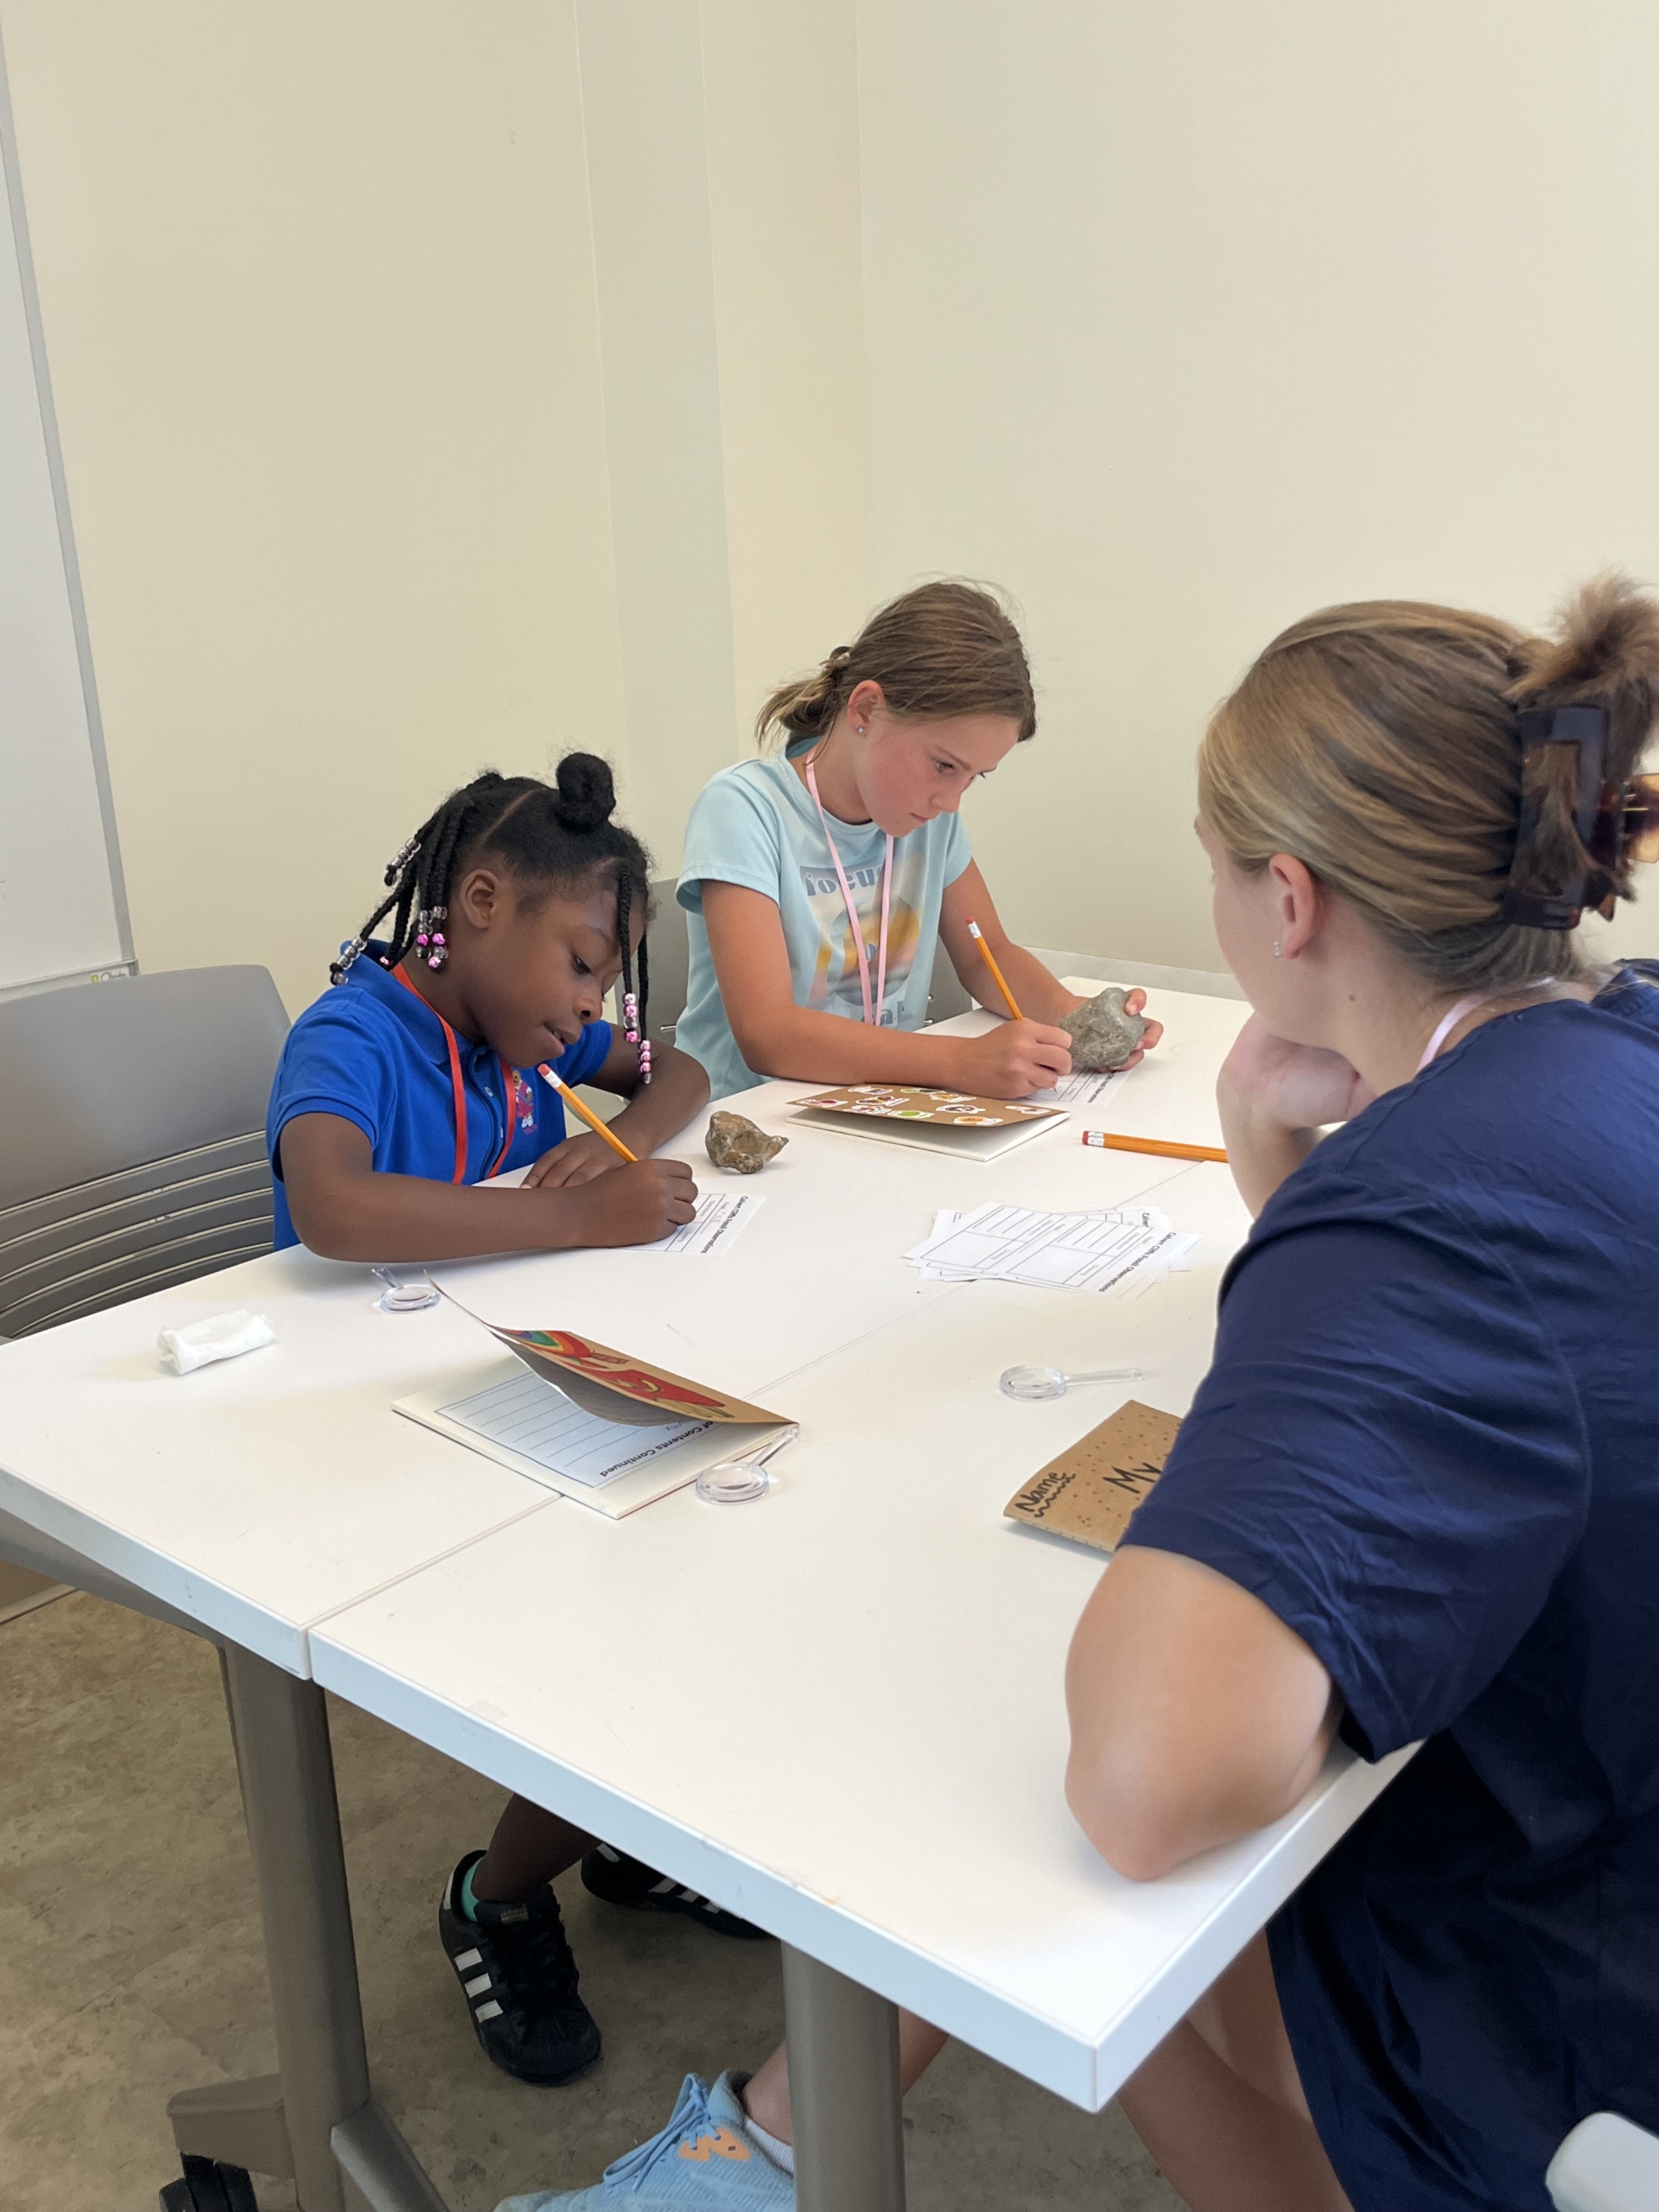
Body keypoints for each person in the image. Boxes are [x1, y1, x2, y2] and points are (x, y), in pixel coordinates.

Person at [505, 576, 1659, 2210]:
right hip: (1612, 1812)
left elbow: (1146, 1780)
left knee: (1071, 1881)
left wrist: (1312, 1209)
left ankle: (765, 2148)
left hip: (1573, 2013)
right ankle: (765, 2133)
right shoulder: (1628, 1040)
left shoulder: (1423, 1207)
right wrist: (1278, 1182)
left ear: (1290, 900)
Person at [269, 756, 768, 2094]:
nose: (593, 1009)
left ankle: (618, 1838)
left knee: (709, 1536)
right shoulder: (352, 1037)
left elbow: (687, 1064)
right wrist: (573, 1214)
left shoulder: (521, 1031)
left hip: (510, 1389)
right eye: (583, 966)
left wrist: (636, 1143)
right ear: (480, 901)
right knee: (642, 1617)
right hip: (370, 1437)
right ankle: (499, 1892)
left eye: (606, 985)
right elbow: (336, 1208)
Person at [673, 579, 1160, 1101]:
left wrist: (1077, 1022)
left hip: (879, 1101)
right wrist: (960, 1061)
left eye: (974, 776)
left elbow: (986, 954)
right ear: (865, 710)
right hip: (751, 1119)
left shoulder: (930, 821)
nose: (950, 802)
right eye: (943, 765)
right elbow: (769, 1036)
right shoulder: (744, 809)